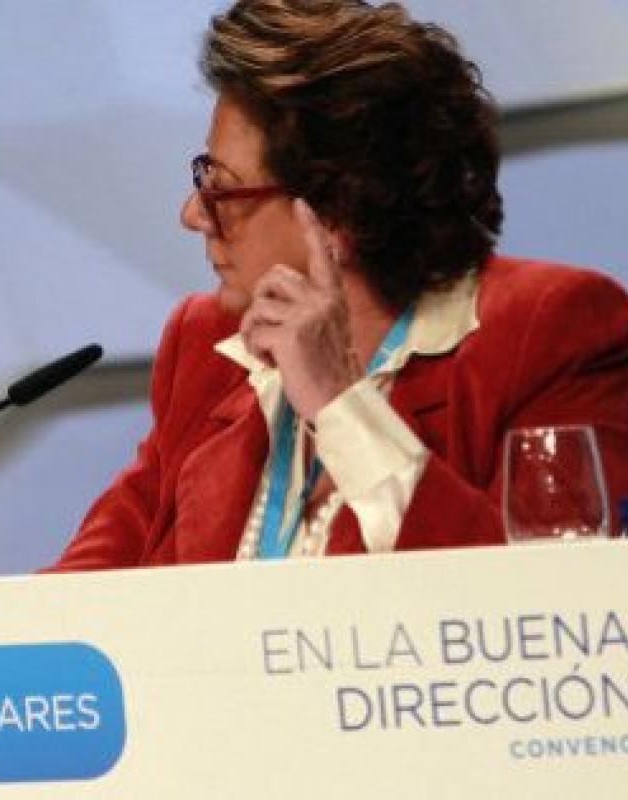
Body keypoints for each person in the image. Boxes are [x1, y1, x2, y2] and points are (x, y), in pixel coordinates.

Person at [50, 0, 628, 570]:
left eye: (220, 188)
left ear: (338, 212)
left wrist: (340, 404)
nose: (192, 214)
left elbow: (547, 601)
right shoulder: (209, 346)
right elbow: (70, 598)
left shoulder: (550, 334)